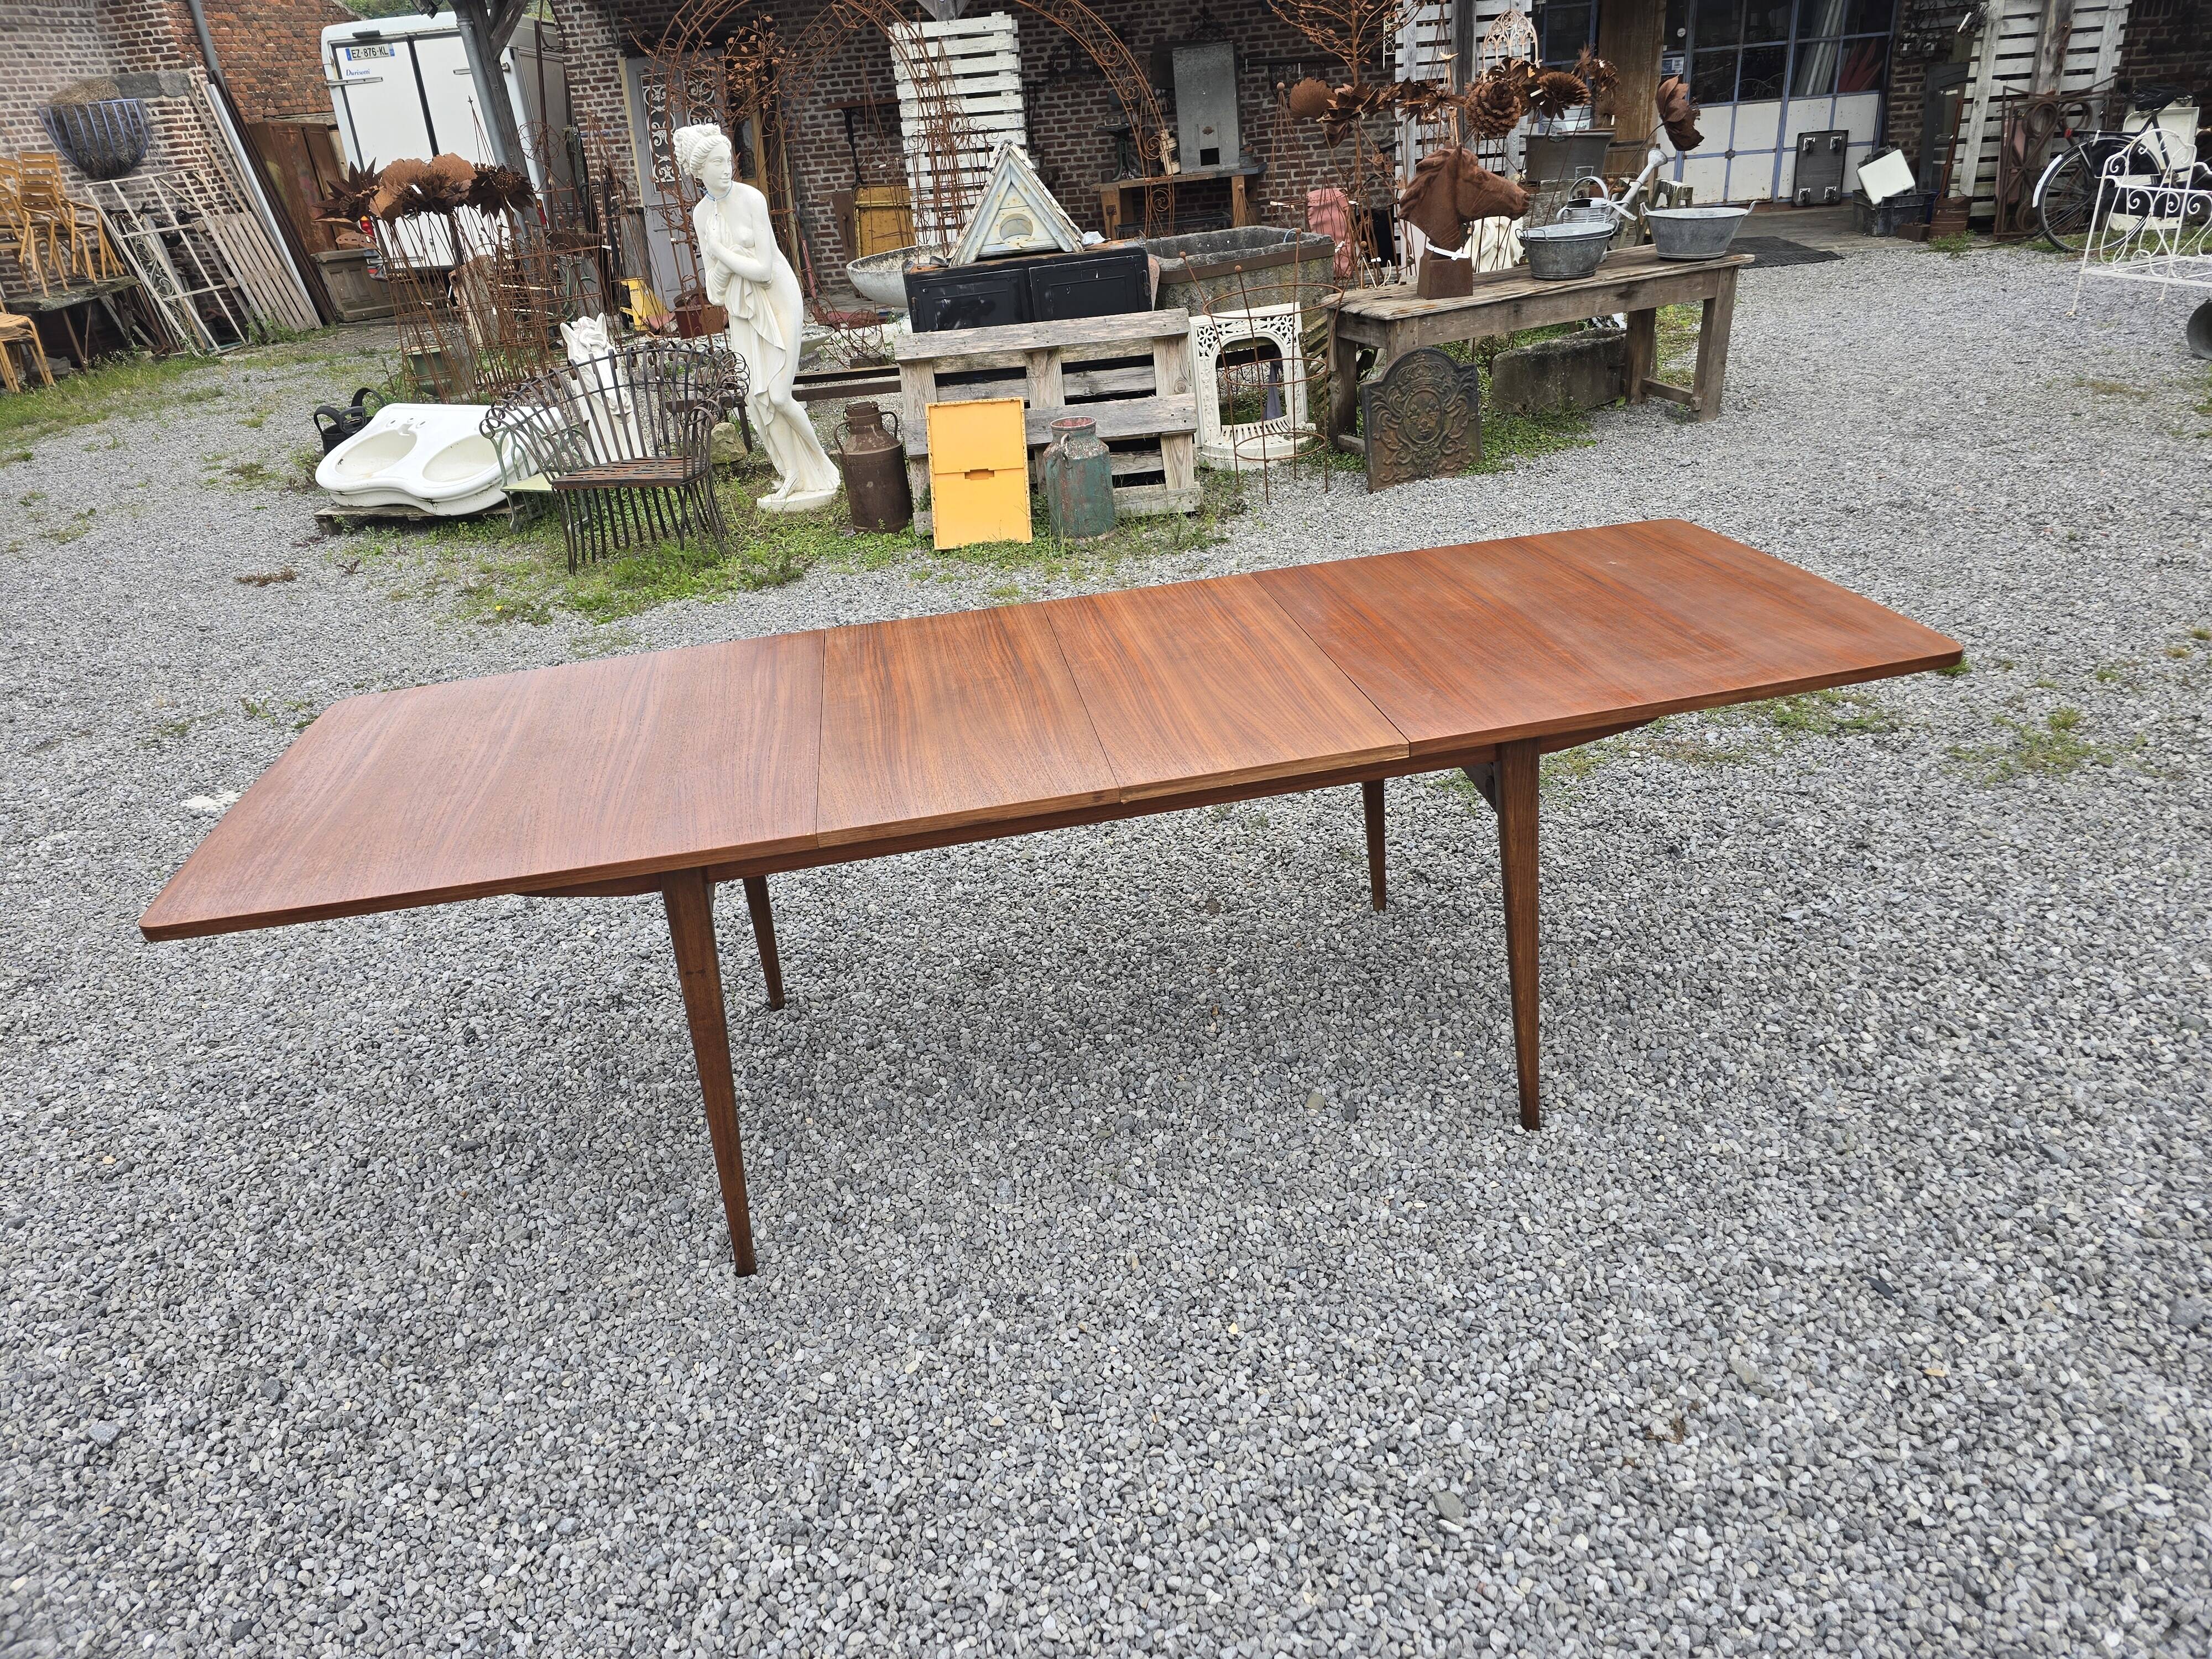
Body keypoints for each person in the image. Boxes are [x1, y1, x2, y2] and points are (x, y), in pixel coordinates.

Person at [671, 123, 839, 512]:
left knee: (779, 394)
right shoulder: (701, 215)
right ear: (700, 171)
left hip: (777, 297)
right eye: (716, 162)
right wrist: (725, 262)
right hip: (743, 308)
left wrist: (721, 253)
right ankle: (792, 475)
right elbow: (714, 292)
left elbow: (764, 268)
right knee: (757, 398)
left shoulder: (751, 199)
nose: (725, 167)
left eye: (727, 159)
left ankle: (825, 468)